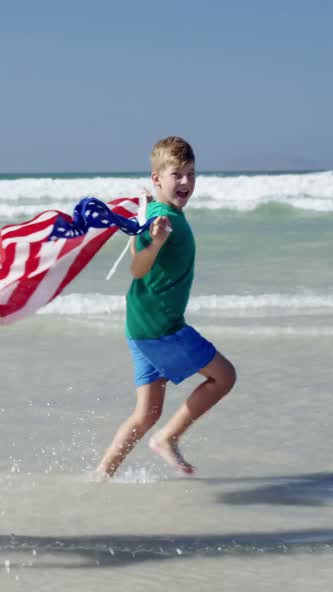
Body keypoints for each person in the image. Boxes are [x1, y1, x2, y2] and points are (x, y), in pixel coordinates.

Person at [94, 136, 236, 478]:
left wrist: (146, 231)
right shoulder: (160, 219)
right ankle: (168, 439)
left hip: (141, 325)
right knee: (224, 376)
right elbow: (138, 268)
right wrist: (156, 241)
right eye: (177, 174)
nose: (186, 182)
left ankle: (102, 473)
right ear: (158, 178)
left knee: (147, 412)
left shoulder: (157, 212)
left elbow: (135, 251)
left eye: (191, 173)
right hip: (162, 329)